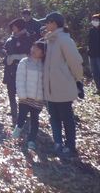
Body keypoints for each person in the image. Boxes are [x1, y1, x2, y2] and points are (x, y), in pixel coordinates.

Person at [41, 11, 84, 157]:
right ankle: (58, 142)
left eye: (47, 22)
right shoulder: (50, 40)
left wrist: (78, 80)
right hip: (51, 87)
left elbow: (75, 62)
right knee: (53, 117)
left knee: (66, 117)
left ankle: (70, 145)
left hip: (63, 86)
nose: (46, 24)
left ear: (54, 23)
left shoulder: (64, 39)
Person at [12, 41, 46, 150]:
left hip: (38, 98)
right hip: (25, 97)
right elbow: (20, 79)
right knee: (22, 116)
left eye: (37, 49)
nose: (34, 50)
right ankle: (17, 130)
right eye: (33, 47)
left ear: (43, 53)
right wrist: (21, 94)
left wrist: (44, 97)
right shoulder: (25, 62)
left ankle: (31, 140)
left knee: (35, 120)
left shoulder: (44, 65)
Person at [3, 18, 32, 123]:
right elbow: (5, 49)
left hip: (22, 70)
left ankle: (23, 113)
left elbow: (28, 55)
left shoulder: (27, 38)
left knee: (22, 93)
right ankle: (14, 112)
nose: (13, 28)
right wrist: (6, 57)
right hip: (9, 69)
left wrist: (14, 57)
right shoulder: (11, 38)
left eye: (15, 26)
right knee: (10, 91)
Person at [89, 13, 100, 95]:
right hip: (92, 55)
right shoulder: (91, 30)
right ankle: (98, 89)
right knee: (95, 73)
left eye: (96, 20)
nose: (94, 22)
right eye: (93, 20)